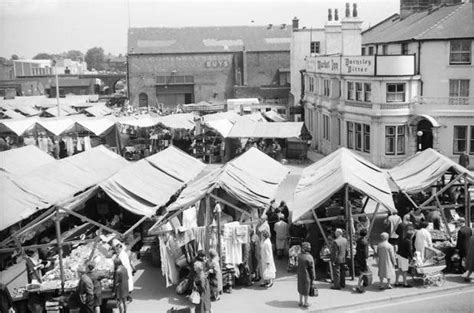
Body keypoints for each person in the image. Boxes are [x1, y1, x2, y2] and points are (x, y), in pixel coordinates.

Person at [296, 242, 315, 308]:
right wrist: (313, 277)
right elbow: (312, 269)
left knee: (301, 288)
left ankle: (300, 301)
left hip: (300, 274)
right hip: (307, 276)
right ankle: (306, 302)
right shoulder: (309, 257)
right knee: (306, 289)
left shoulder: (299, 255)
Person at [354, 229, 370, 293]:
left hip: (358, 257)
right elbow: (366, 252)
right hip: (363, 258)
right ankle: (359, 285)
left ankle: (363, 283)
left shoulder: (358, 240)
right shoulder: (365, 242)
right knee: (363, 272)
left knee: (362, 271)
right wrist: (367, 257)